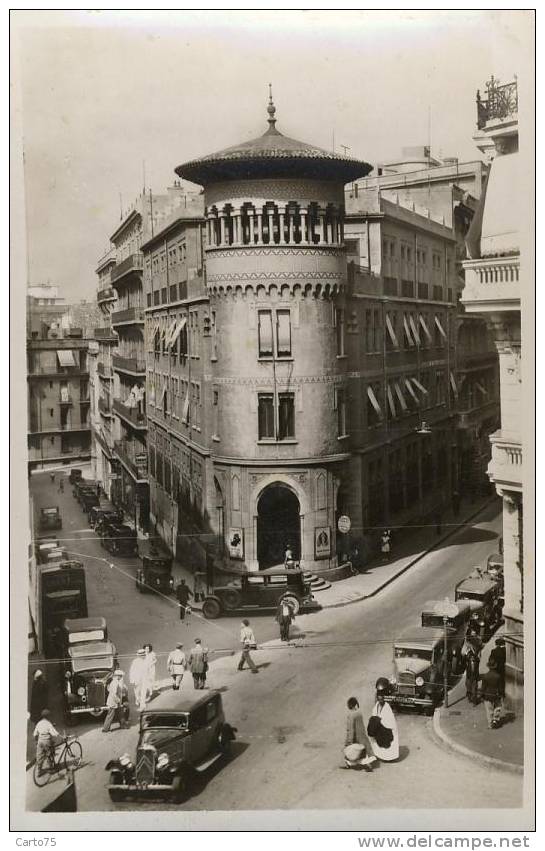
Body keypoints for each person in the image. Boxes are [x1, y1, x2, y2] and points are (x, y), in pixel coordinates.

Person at [367, 679, 399, 761]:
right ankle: (379, 753)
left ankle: (388, 756)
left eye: (381, 696)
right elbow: (374, 715)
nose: (380, 698)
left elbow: (390, 724)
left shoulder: (387, 708)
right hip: (381, 730)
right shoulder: (377, 706)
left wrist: (379, 722)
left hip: (387, 732)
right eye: (378, 696)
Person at [341, 697, 377, 770]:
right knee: (364, 752)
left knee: (351, 751)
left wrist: (349, 741)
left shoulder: (351, 715)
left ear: (349, 705)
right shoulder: (359, 713)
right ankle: (368, 764)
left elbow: (351, 729)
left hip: (355, 737)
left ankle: (348, 765)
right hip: (362, 735)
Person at [34, 709, 60, 775]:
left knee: (39, 756)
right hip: (47, 741)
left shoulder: (39, 723)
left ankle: (39, 771)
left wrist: (36, 741)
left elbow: (35, 734)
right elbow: (54, 733)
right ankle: (51, 768)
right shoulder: (48, 723)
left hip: (40, 742)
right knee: (50, 754)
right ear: (48, 716)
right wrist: (60, 735)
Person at [479, 659, 502, 729]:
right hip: (496, 694)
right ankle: (495, 719)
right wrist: (501, 694)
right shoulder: (498, 676)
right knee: (497, 707)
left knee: (489, 710)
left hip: (487, 695)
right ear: (495, 667)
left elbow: (483, 687)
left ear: (489, 667)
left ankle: (490, 723)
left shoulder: (485, 676)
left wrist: (482, 695)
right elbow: (500, 687)